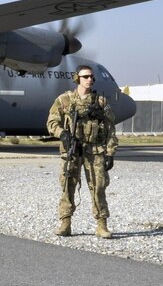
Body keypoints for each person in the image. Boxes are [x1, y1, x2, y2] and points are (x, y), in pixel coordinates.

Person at [47, 65, 118, 239]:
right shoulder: (65, 100)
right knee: (67, 185)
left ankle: (102, 225)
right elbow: (51, 122)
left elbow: (110, 128)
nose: (90, 80)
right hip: (73, 149)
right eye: (86, 76)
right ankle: (65, 223)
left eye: (92, 77)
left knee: (98, 187)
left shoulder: (100, 102)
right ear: (77, 78)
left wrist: (110, 152)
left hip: (94, 150)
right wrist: (62, 134)